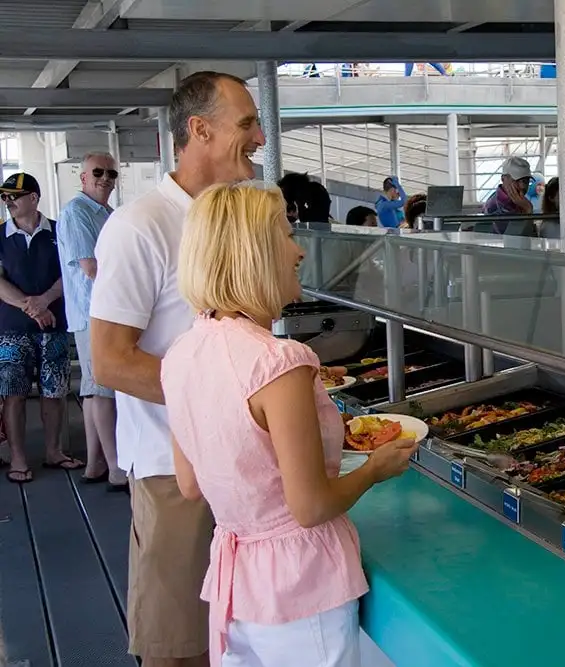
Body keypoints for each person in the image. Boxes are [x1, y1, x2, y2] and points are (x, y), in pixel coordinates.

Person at [162, 181, 417, 667]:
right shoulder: (280, 361)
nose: (298, 249)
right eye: (284, 233)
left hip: (236, 582)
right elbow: (311, 506)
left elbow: (192, 483)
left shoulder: (182, 352)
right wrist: (374, 469)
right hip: (302, 586)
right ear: (252, 252)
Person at [90, 70, 265, 667]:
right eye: (247, 123)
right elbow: (111, 361)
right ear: (200, 130)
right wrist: (227, 404)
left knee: (242, 642)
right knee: (179, 645)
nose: (261, 136)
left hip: (246, 471)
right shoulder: (141, 225)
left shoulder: (232, 215)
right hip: (173, 471)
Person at [0, 173, 77, 484]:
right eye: (4, 198)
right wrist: (30, 307)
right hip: (12, 328)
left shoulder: (60, 233)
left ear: (34, 198)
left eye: (14, 197)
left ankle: (54, 450)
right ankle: (18, 457)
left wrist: (45, 300)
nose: (8, 203)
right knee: (13, 393)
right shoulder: (0, 236)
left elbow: (69, 273)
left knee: (54, 391)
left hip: (54, 324)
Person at [56, 151, 127, 489]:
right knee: (103, 389)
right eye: (97, 172)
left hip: (102, 313)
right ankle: (116, 468)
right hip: (94, 314)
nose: (105, 178)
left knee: (92, 388)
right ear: (83, 177)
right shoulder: (77, 212)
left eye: (111, 174)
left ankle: (95, 465)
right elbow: (91, 268)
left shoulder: (108, 214)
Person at [482, 157, 536, 236]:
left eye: (526, 181)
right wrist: (528, 208)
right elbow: (520, 238)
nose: (522, 186)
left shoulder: (516, 201)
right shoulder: (497, 206)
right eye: (516, 181)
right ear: (503, 179)